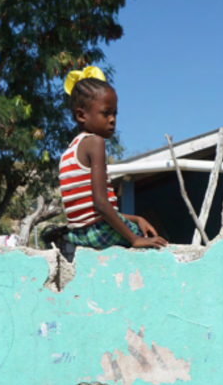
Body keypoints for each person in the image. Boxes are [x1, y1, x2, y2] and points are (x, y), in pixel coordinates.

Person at [57, 67, 167, 250]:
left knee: (140, 225)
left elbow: (91, 212)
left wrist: (137, 218)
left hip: (78, 235)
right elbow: (101, 204)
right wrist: (134, 239)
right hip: (100, 232)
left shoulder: (68, 152)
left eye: (115, 114)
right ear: (81, 115)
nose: (112, 120)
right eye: (106, 113)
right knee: (155, 240)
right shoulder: (95, 142)